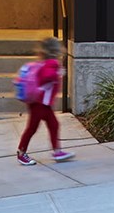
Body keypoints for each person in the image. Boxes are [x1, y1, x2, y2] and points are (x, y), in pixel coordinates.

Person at [15, 36, 73, 165]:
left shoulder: (43, 62)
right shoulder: (52, 63)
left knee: (53, 124)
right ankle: (21, 152)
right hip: (40, 103)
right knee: (32, 128)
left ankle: (57, 151)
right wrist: (58, 73)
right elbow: (47, 77)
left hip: (40, 103)